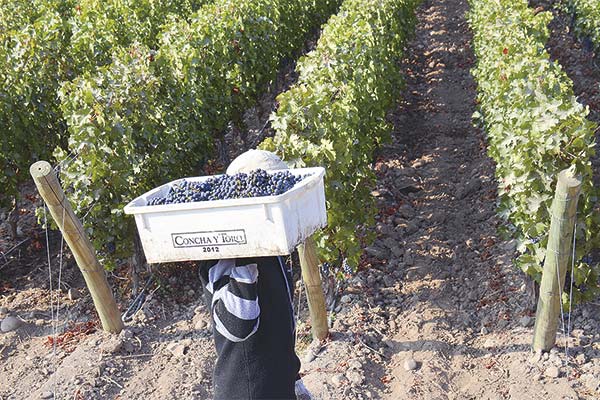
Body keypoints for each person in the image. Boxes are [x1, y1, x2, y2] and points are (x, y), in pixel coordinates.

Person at [198, 150, 313, 400]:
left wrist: (293, 379)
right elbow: (239, 326)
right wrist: (244, 257)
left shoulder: (271, 250)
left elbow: (280, 325)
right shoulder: (220, 258)